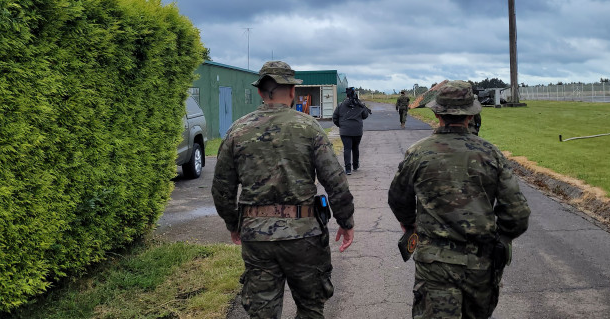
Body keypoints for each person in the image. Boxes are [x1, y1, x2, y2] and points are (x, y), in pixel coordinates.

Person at [212, 61, 355, 319]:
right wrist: (346, 221)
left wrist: (233, 224)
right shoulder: (310, 128)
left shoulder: (238, 130)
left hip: (257, 237)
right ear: (292, 92)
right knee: (311, 308)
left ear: (260, 92)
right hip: (305, 236)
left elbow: (222, 188)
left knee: (262, 312)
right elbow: (335, 180)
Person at [388, 80, 531, 319]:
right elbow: (518, 214)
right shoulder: (490, 153)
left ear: (437, 112)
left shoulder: (418, 153)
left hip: (434, 263)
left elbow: (398, 198)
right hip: (480, 263)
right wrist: (502, 237)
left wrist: (409, 223)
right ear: (471, 115)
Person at [332, 87, 372, 175]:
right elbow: (365, 116)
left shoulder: (340, 105)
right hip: (357, 130)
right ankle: (356, 165)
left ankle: (348, 169)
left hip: (345, 131)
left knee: (347, 148)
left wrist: (341, 125)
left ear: (346, 95)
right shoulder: (359, 104)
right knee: (355, 148)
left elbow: (335, 118)